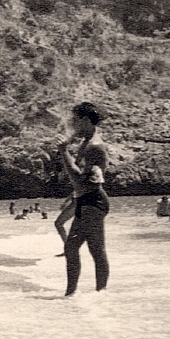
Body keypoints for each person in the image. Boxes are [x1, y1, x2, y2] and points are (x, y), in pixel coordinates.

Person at [62, 102, 110, 296]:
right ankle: (94, 293)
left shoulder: (94, 146)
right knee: (86, 248)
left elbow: (79, 178)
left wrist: (63, 151)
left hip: (93, 201)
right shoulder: (88, 141)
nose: (72, 124)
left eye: (75, 120)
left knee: (86, 248)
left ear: (86, 120)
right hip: (88, 200)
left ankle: (83, 293)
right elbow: (84, 181)